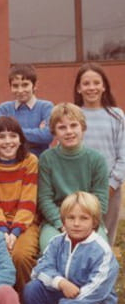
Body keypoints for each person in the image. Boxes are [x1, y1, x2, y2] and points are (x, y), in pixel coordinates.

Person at [24, 191, 119, 304]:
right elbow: (38, 270)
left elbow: (94, 291)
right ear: (63, 220)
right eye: (71, 217)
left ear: (94, 221)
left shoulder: (102, 251)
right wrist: (60, 282)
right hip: (63, 294)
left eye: (83, 218)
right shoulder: (56, 242)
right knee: (32, 289)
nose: (76, 223)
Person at [38, 103, 109, 251]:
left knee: (98, 249)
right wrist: (62, 223)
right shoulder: (46, 159)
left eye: (73, 125)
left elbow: (101, 199)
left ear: (82, 128)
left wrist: (85, 223)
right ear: (54, 132)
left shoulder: (97, 159)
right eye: (62, 127)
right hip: (56, 222)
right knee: (52, 248)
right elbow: (44, 199)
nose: (69, 131)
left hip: (89, 220)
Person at [0, 116, 39, 289]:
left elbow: (28, 200)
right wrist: (2, 230)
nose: (8, 141)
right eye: (1, 137)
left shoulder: (30, 161)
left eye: (13, 136)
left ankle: (24, 302)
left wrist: (14, 231)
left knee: (21, 256)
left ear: (20, 139)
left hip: (25, 222)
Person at [73, 62, 125, 245]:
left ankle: (104, 271)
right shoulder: (73, 115)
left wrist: (111, 185)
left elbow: (123, 154)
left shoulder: (116, 115)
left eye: (97, 83)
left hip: (110, 189)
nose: (92, 88)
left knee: (105, 237)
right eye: (86, 83)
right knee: (80, 234)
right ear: (79, 88)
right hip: (80, 187)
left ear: (104, 86)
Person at [0, 64, 53, 157]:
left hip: (40, 162)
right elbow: (2, 137)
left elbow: (47, 136)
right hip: (13, 162)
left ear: (35, 85)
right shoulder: (4, 109)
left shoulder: (46, 107)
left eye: (25, 85)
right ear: (10, 87)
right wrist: (37, 134)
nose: (20, 90)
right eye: (15, 86)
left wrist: (13, 132)